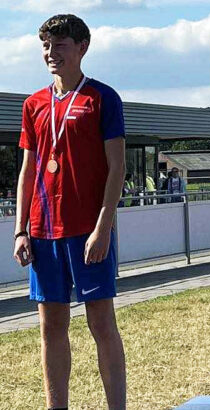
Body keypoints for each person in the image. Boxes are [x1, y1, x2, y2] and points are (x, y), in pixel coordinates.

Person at [12, 15, 126, 409]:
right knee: (51, 326)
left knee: (101, 323)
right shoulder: (34, 104)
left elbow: (118, 168)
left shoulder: (102, 98)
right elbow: (28, 170)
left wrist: (104, 227)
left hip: (87, 230)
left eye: (59, 45)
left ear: (82, 48)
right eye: (46, 45)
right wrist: (20, 229)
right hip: (43, 231)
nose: (50, 53)